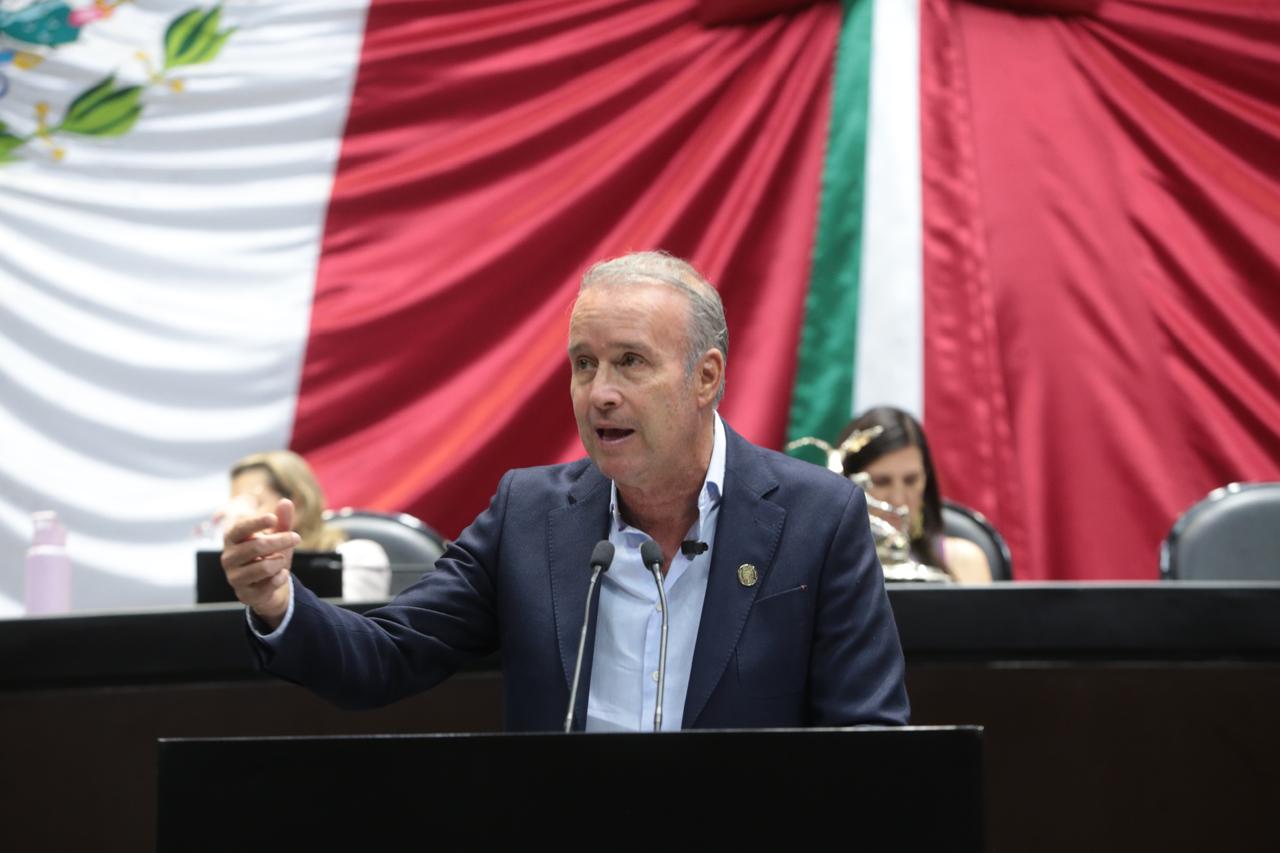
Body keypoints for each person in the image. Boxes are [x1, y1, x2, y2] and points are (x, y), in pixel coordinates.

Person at [222, 251, 909, 731]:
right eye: (584, 364)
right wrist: (280, 604)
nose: (599, 392)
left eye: (630, 362)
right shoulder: (529, 515)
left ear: (706, 378)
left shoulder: (817, 518)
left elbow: (871, 736)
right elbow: (385, 656)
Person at [839, 407, 992, 584]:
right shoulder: (824, 565)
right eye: (881, 482)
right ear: (847, 481)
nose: (898, 499)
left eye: (911, 480)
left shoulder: (964, 562)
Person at [223, 451, 390, 602]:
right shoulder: (233, 564)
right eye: (236, 504)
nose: (241, 515)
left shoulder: (357, 555)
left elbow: (349, 621)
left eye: (255, 503)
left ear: (297, 503)